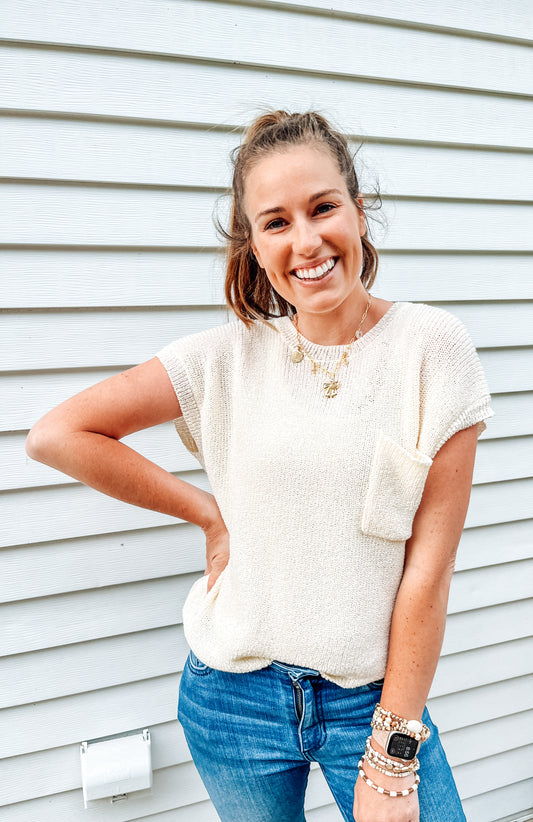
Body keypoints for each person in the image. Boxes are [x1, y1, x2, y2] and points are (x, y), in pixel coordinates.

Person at [26, 110, 494, 822]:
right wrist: (206, 512)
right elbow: (58, 433)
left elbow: (427, 570)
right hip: (230, 696)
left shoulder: (431, 348)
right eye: (276, 222)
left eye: (322, 208)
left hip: (372, 698)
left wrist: (392, 751)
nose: (306, 242)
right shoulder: (222, 358)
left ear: (359, 212)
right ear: (253, 243)